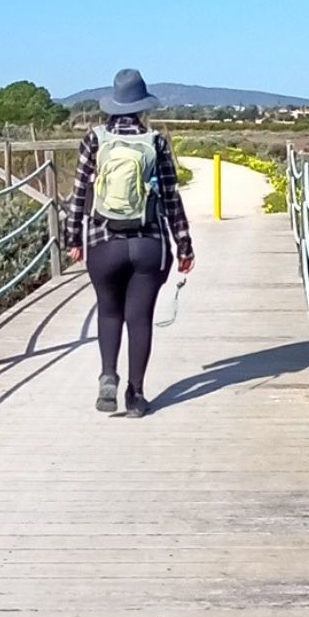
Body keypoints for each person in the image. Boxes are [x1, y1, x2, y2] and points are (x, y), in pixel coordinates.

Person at [65, 68, 195, 417]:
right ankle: (136, 396)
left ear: (113, 104)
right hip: (148, 243)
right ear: (142, 107)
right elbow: (171, 198)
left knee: (109, 311)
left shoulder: (95, 139)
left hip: (102, 241)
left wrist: (73, 238)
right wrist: (184, 246)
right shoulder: (155, 142)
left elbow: (78, 194)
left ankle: (108, 374)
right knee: (140, 319)